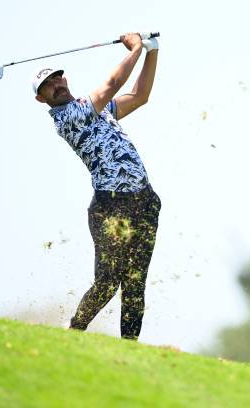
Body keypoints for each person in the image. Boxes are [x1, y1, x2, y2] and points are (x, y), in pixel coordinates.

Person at [33, 32, 161, 340]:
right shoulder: (68, 117)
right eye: (49, 84)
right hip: (109, 205)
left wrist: (151, 52)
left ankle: (129, 347)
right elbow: (112, 84)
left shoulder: (96, 110)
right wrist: (135, 50)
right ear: (42, 99)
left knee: (135, 282)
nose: (57, 83)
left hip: (144, 200)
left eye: (58, 77)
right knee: (107, 281)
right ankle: (74, 331)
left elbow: (139, 95)